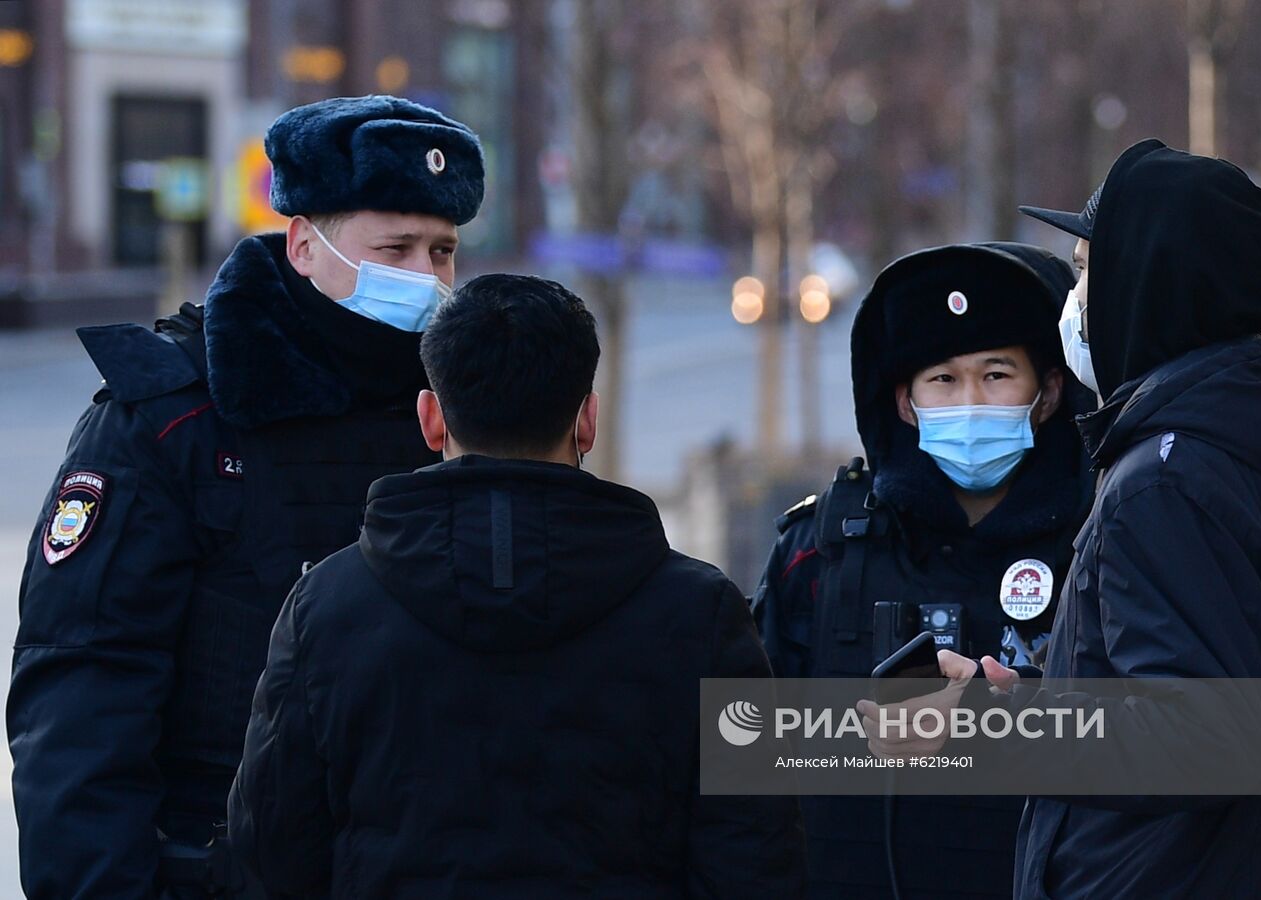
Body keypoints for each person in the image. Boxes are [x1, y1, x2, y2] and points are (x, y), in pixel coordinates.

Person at [862, 139, 1261, 898]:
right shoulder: (1257, 445)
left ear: (1144, 288)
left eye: (1082, 273)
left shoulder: (1167, 482)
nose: (1071, 307)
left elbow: (1200, 738)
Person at [8, 94, 485, 899]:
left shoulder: (463, 409)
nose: (424, 279)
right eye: (396, 246)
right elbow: (82, 700)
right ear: (304, 244)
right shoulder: (169, 417)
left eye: (441, 253)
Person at [226, 273, 806, 897]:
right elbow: (757, 856)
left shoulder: (326, 610)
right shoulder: (702, 613)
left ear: (430, 418)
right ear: (587, 420)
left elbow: (269, 849)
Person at [751, 242, 1093, 898]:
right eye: (942, 378)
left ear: (1048, 393)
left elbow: (1169, 739)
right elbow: (743, 753)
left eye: (997, 376)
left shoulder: (1103, 543)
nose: (970, 401)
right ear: (905, 401)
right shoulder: (823, 549)